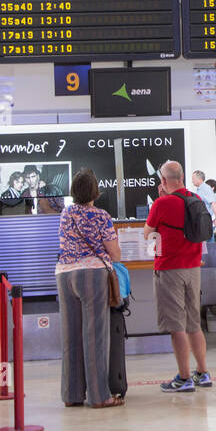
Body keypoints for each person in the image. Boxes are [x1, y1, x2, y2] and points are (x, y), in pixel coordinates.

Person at [55, 168, 124, 408]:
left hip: (64, 274)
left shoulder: (66, 214)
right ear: (95, 191)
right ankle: (98, 395)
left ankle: (72, 394)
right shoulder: (101, 216)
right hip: (92, 275)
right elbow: (114, 253)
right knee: (94, 335)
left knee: (70, 336)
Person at [145, 160, 210, 392]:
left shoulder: (162, 204)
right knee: (194, 323)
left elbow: (147, 234)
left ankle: (184, 378)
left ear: (163, 181)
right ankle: (202, 372)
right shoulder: (197, 199)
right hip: (194, 268)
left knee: (177, 326)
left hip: (169, 269)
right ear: (182, 177)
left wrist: (160, 199)